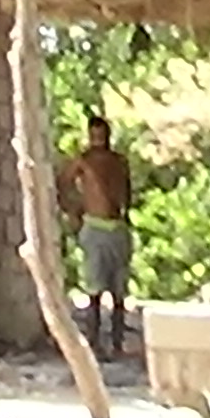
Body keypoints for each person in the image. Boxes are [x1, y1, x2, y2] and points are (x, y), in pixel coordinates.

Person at [63, 111, 140, 357]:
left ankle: (117, 343)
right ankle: (93, 343)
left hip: (117, 228)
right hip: (94, 227)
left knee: (119, 291)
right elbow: (63, 184)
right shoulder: (82, 161)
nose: (98, 141)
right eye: (94, 136)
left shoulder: (119, 162)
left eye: (102, 135)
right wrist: (74, 212)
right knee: (94, 289)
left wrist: (125, 214)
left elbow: (127, 191)